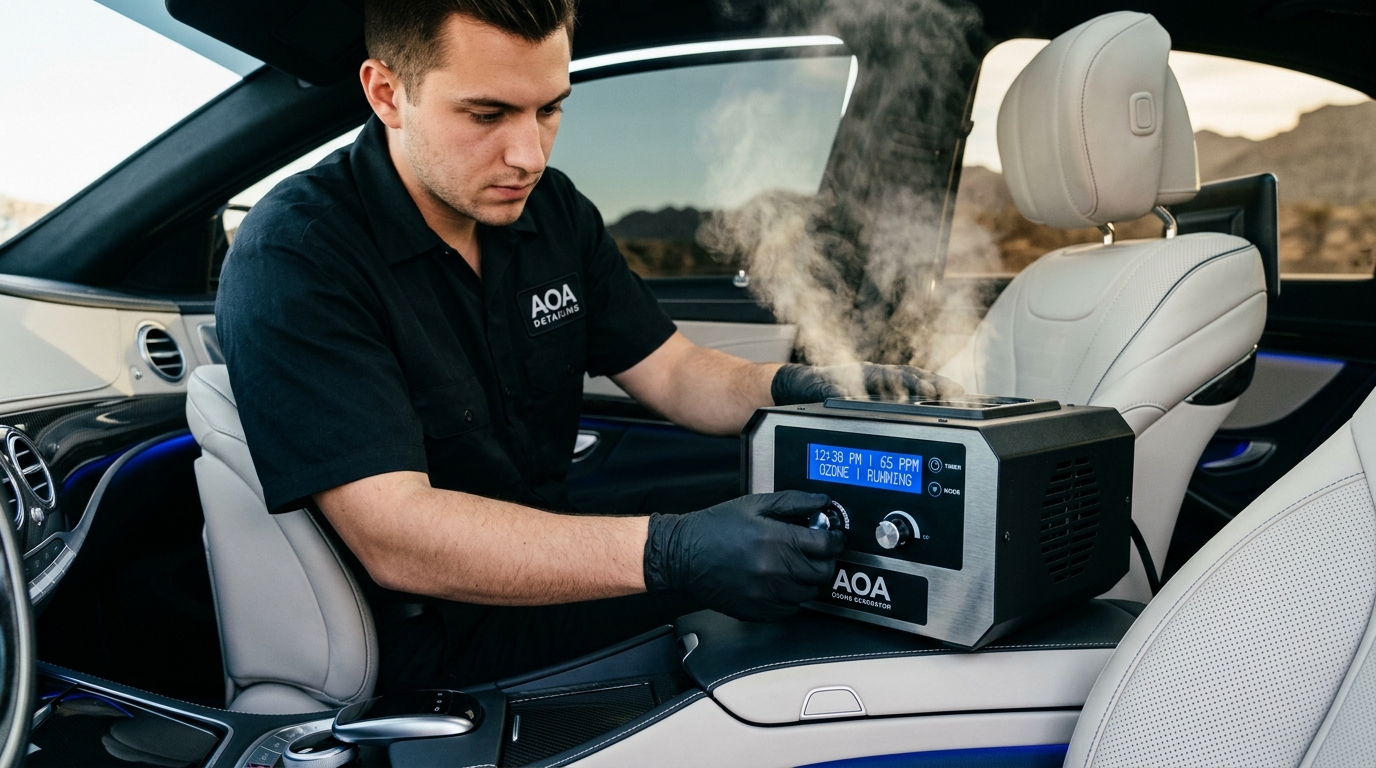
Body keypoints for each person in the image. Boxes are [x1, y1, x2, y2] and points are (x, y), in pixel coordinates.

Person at [216, 0, 955, 693]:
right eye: (487, 114)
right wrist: (672, 553)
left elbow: (674, 371)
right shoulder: (300, 252)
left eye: (549, 109)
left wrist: (798, 388)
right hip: (436, 635)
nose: (529, 155)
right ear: (386, 93)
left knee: (814, 538)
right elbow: (396, 535)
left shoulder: (552, 210)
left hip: (550, 545)